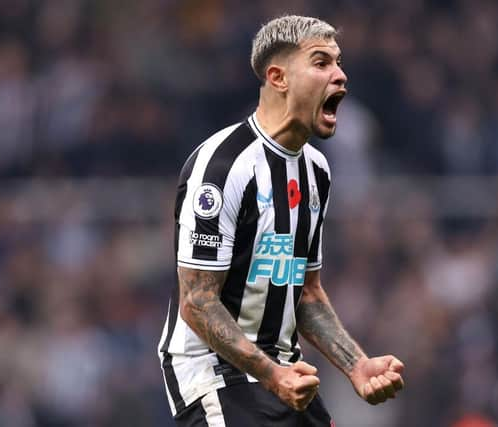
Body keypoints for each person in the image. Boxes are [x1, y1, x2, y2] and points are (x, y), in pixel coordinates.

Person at [158, 15, 405, 426]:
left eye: (339, 63)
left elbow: (305, 292)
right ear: (278, 77)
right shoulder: (222, 165)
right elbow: (197, 301)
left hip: (286, 375)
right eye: (322, 62)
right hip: (216, 378)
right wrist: (272, 375)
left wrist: (356, 366)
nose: (341, 76)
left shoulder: (316, 170)